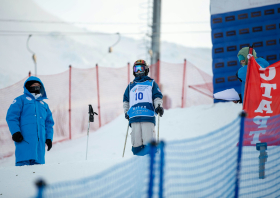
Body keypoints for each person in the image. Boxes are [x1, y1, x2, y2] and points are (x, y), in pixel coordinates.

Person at [6, 76, 54, 166]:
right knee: (22, 173)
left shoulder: (44, 105)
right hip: (24, 142)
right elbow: (11, 117)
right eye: (34, 85)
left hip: (40, 147)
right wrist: (15, 132)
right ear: (28, 86)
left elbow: (49, 123)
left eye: (38, 85)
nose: (36, 87)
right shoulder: (20, 100)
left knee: (37, 173)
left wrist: (49, 138)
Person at [123, 59, 164, 156]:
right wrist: (126, 112)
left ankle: (151, 163)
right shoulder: (131, 86)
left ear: (145, 69)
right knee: (136, 144)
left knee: (148, 142)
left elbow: (157, 96)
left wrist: (158, 106)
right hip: (134, 117)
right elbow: (126, 100)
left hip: (147, 116)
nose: (138, 71)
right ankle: (139, 166)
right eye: (136, 69)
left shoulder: (151, 83)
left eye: (140, 68)